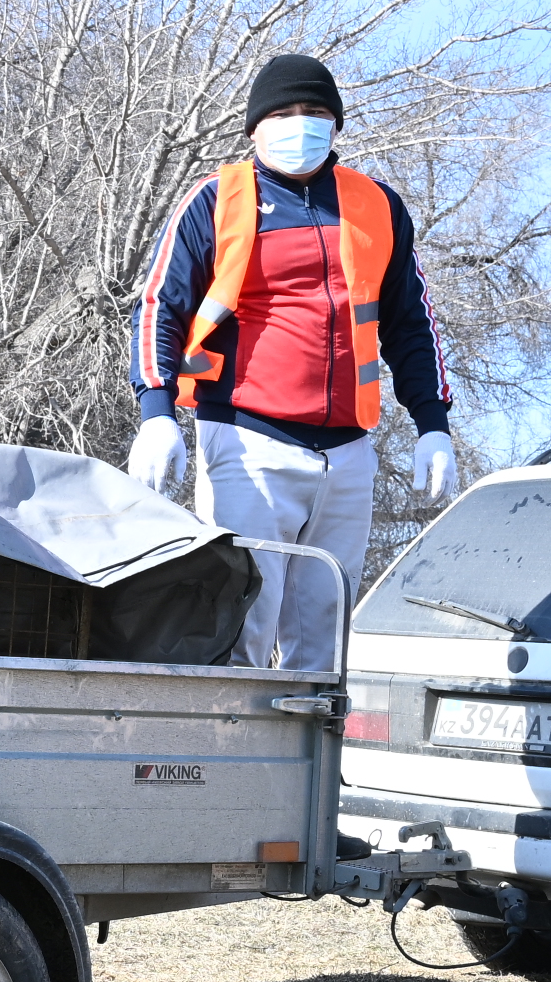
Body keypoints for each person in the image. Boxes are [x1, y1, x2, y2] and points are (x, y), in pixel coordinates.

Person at [125, 54, 458, 670]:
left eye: (313, 113)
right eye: (281, 113)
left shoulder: (377, 205)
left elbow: (411, 323)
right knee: (240, 632)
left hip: (348, 453)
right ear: (253, 127)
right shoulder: (216, 200)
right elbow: (159, 307)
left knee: (324, 649)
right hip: (248, 444)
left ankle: (308, 769)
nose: (297, 124)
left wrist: (433, 424)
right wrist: (156, 410)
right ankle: (231, 767)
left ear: (335, 125)